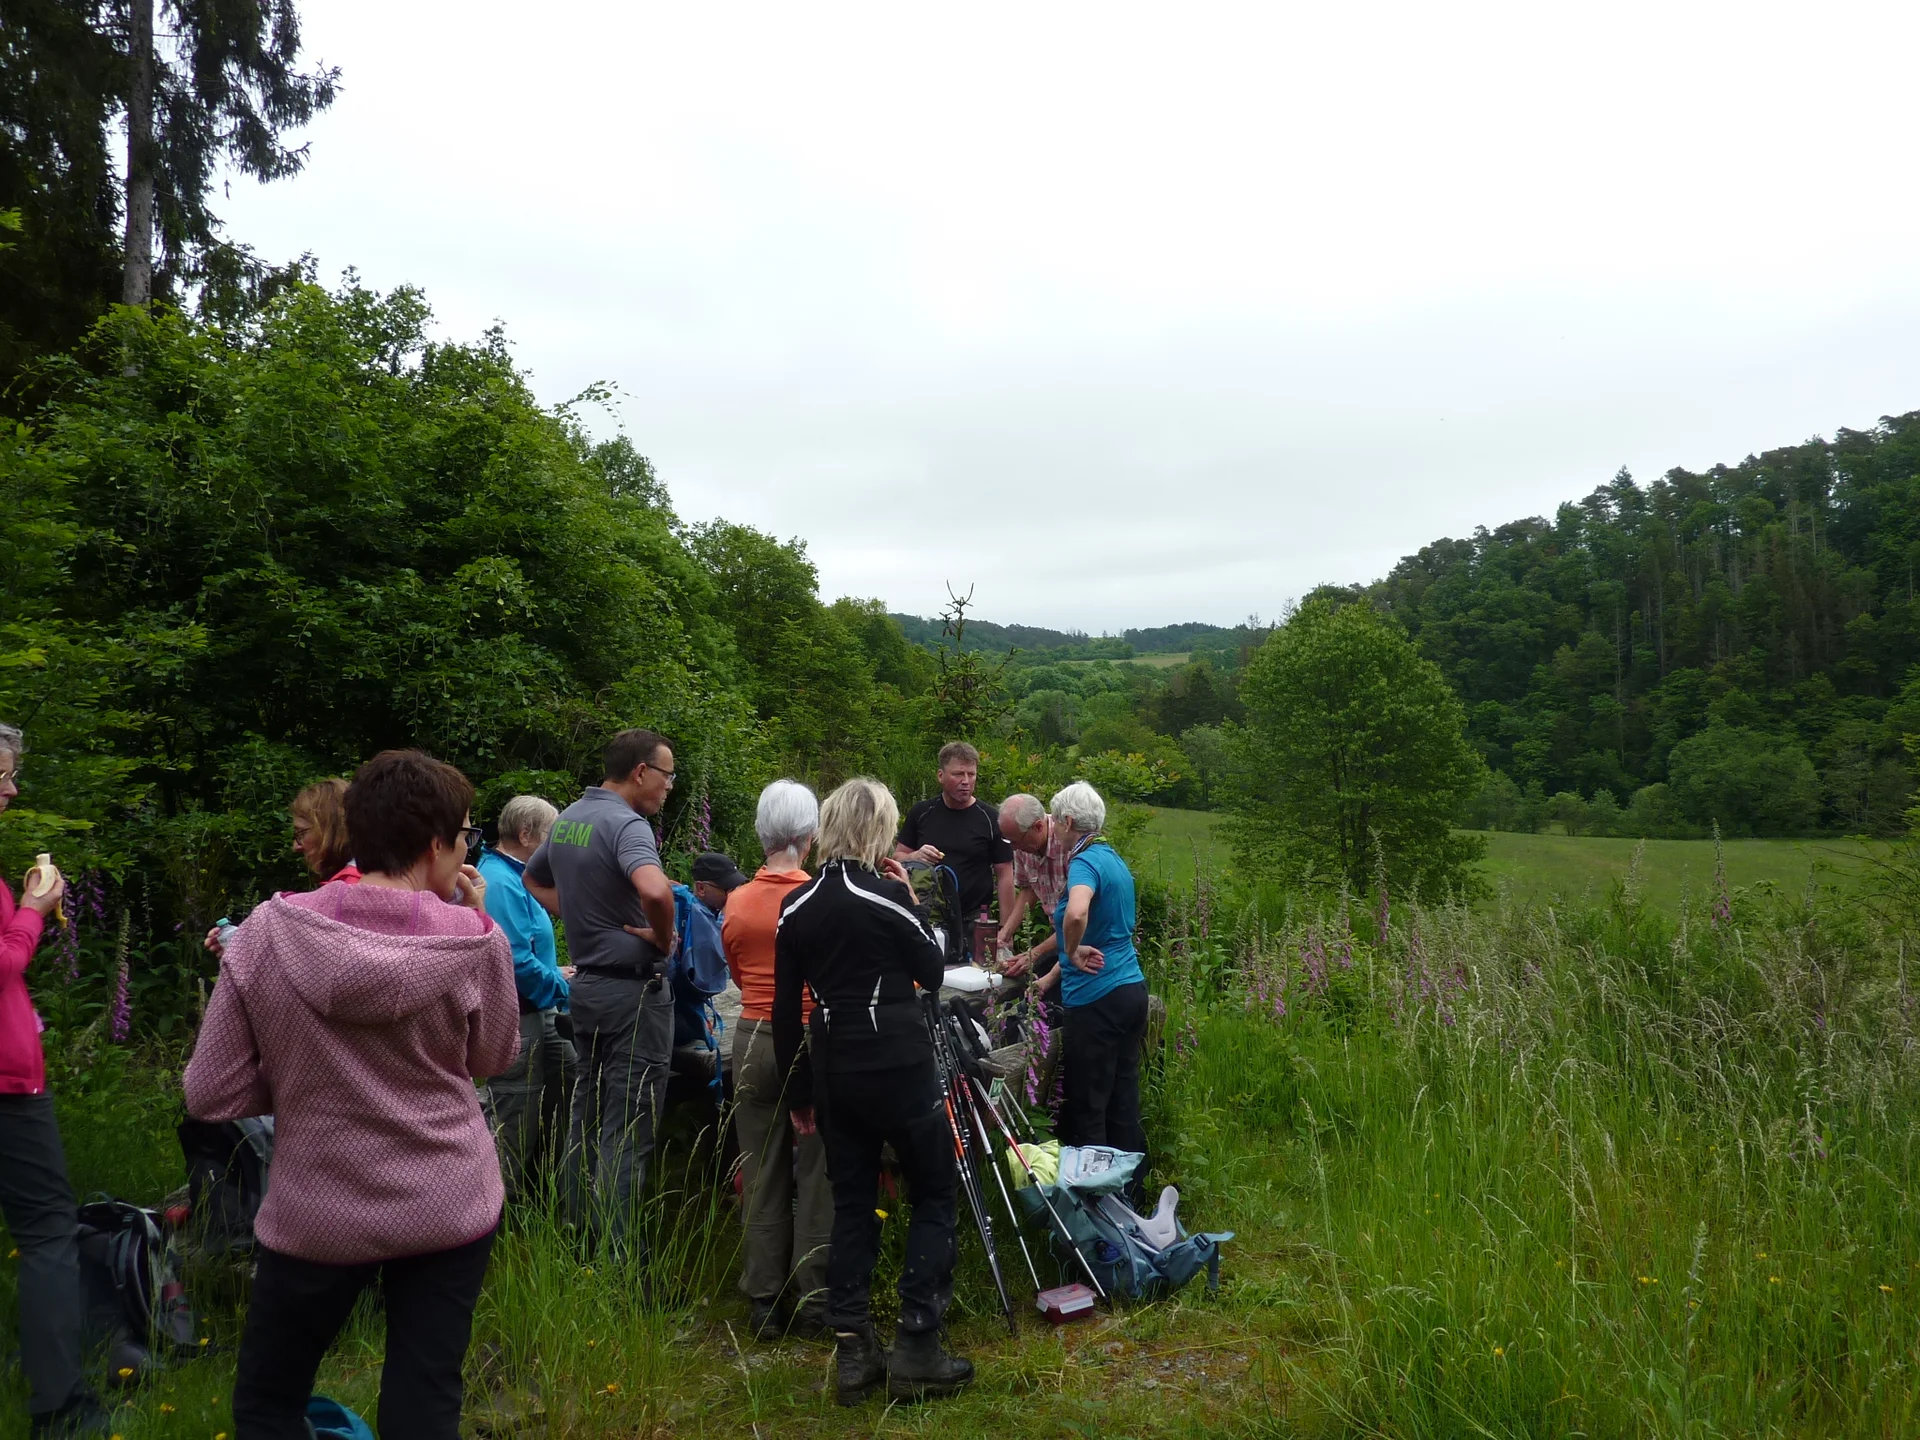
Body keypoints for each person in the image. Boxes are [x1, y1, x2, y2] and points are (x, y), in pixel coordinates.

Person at [184, 749, 519, 1440]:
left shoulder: (268, 932)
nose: (466, 852)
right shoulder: (479, 941)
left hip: (318, 1208)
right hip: (447, 1201)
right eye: (465, 837)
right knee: (424, 1402)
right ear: (435, 845)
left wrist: (299, 1076)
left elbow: (209, 1091)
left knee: (270, 1404)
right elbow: (493, 1057)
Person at [776, 777, 972, 1405]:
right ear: (877, 830)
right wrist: (911, 896)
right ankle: (918, 1340)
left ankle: (854, 1350)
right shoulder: (886, 895)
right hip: (899, 1061)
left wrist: (799, 1092)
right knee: (935, 1189)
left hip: (835, 1066)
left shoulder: (796, 906)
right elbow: (933, 971)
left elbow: (785, 1010)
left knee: (855, 1204)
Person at [523, 729, 679, 1255]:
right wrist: (660, 937)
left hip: (586, 991)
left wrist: (583, 915)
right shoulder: (627, 825)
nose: (669, 787)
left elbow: (531, 879)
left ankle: (576, 1241)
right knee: (627, 1128)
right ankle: (620, 1264)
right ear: (641, 772)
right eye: (667, 776)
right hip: (633, 996)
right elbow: (655, 889)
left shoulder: (569, 818)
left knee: (582, 1121)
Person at [0, 725, 111, 1439]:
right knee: (46, 1233)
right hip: (7, 1084)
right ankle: (62, 1407)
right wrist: (33, 914)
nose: (12, 790)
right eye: (3, 776)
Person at [720, 781, 831, 1342]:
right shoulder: (818, 898)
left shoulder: (737, 900)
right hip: (812, 1037)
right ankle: (815, 1298)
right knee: (818, 1170)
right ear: (810, 837)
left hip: (752, 1035)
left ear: (761, 834)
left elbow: (738, 976)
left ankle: (763, 1299)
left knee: (760, 1167)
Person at [478, 794, 574, 1200]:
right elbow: (514, 961)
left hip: (542, 1008)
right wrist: (564, 985)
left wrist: (557, 977)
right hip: (518, 1014)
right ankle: (501, 1209)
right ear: (525, 834)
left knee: (572, 1077)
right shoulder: (499, 882)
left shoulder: (517, 874)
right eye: (550, 836)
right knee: (515, 1114)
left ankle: (550, 1186)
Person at [1049, 782, 1149, 1159]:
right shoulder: (1112, 856)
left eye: (1057, 823)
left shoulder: (1085, 862)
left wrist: (1071, 951)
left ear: (1069, 821)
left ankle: (1097, 1200)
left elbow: (1077, 911)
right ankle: (1130, 1195)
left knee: (1089, 1103)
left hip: (1096, 996)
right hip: (1130, 988)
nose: (1055, 830)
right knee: (1123, 1098)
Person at [204, 777, 359, 957]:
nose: (296, 846)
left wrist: (246, 952)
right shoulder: (367, 878)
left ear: (329, 829)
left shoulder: (348, 888)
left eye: (300, 833)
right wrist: (244, 944)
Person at [894, 742, 1014, 956]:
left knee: (985, 979)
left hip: (977, 918)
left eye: (971, 774)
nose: (966, 782)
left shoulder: (990, 818)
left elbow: (1005, 874)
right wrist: (915, 856)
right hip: (930, 917)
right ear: (940, 775)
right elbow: (897, 859)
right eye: (958, 774)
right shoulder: (922, 813)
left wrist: (1007, 929)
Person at [994, 792, 1070, 982]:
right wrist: (1005, 933)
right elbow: (1028, 889)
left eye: (1016, 841)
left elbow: (1079, 921)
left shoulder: (1068, 844)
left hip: (1083, 936)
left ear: (1038, 826)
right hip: (1058, 934)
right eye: (1008, 841)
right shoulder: (1023, 846)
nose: (1012, 848)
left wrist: (1034, 953)